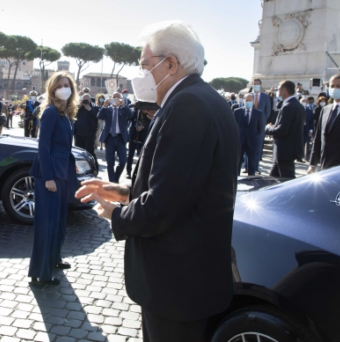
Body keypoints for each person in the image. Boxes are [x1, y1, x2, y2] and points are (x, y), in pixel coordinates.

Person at [76, 20, 240, 342]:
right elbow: (182, 184)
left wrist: (115, 213)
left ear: (171, 64)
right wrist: (123, 192)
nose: (140, 75)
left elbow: (165, 204)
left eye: (144, 65)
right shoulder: (201, 98)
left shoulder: (188, 105)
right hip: (187, 281)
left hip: (177, 285)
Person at [28, 71, 78, 285]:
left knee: (59, 220)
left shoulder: (65, 113)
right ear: (52, 89)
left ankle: (54, 260)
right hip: (50, 175)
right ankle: (41, 273)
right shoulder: (49, 112)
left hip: (63, 173)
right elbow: (43, 146)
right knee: (47, 223)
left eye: (67, 85)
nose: (64, 88)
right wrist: (48, 177)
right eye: (59, 85)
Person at [308, 73, 340, 172]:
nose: (334, 89)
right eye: (332, 86)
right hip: (325, 166)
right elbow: (318, 138)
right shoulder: (325, 110)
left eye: (338, 86)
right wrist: (313, 163)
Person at [265, 80, 305, 178]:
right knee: (272, 180)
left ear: (284, 90)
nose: (277, 92)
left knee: (288, 181)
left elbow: (282, 130)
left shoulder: (288, 106)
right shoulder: (298, 105)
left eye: (278, 89)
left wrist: (268, 128)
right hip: (287, 151)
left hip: (285, 151)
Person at [98, 92, 133, 183]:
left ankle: (116, 178)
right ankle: (112, 182)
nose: (116, 99)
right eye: (114, 97)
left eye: (118, 97)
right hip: (109, 138)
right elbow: (99, 116)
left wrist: (124, 105)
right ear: (110, 98)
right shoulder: (107, 109)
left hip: (120, 138)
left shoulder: (123, 109)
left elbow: (131, 116)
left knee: (122, 161)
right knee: (110, 162)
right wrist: (104, 106)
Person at [126, 101, 159, 179]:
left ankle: (139, 173)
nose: (145, 111)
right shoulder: (135, 111)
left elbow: (152, 125)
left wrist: (143, 127)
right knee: (130, 155)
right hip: (134, 134)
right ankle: (128, 172)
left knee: (142, 155)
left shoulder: (151, 113)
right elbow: (129, 116)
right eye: (143, 109)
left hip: (144, 136)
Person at [234, 93, 263, 176]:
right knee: (237, 164)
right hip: (240, 141)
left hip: (252, 142)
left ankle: (252, 181)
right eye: (247, 100)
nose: (248, 102)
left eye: (250, 100)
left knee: (252, 165)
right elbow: (234, 126)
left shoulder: (258, 113)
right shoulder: (237, 112)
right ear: (244, 101)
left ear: (253, 101)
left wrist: (256, 138)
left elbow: (260, 128)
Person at [74, 93, 99, 171]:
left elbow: (98, 116)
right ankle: (81, 169)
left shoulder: (94, 108)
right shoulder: (79, 108)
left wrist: (89, 109)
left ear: (90, 100)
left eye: (86, 100)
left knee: (90, 152)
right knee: (79, 153)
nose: (85, 101)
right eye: (83, 99)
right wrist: (79, 105)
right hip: (78, 134)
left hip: (89, 134)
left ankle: (95, 168)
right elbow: (73, 114)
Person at [251, 78, 272, 166]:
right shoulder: (249, 96)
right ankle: (247, 166)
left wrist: (263, 120)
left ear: (261, 85)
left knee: (258, 145)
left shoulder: (265, 96)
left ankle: (255, 166)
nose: (256, 85)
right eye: (254, 84)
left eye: (258, 84)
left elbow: (268, 111)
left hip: (261, 124)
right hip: (249, 123)